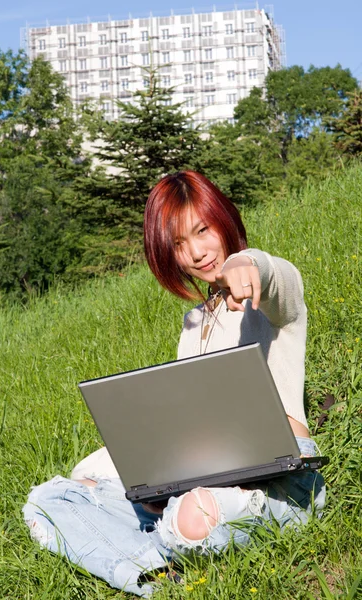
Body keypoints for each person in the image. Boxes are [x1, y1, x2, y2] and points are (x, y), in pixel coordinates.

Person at [23, 171, 325, 597]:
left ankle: (160, 538)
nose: (196, 253)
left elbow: (279, 279)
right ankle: (157, 572)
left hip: (282, 480)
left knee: (194, 511)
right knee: (50, 501)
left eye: (202, 230)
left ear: (223, 219)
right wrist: (156, 483)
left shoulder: (270, 301)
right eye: (178, 244)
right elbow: (196, 433)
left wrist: (246, 263)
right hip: (210, 480)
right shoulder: (194, 325)